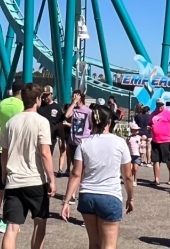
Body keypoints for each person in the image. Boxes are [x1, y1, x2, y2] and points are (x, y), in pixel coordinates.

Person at [61, 105, 135, 249]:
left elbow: (76, 174)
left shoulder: (84, 143)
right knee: (109, 245)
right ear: (109, 122)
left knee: (94, 243)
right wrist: (130, 198)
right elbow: (127, 176)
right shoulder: (120, 143)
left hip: (87, 195)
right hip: (110, 195)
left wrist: (66, 201)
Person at [0, 83, 56, 249]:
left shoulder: (11, 123)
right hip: (35, 180)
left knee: (12, 228)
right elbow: (45, 153)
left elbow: (4, 153)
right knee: (39, 223)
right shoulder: (42, 122)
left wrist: (4, 174)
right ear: (38, 99)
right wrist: (52, 179)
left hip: (14, 180)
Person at [0, 80, 25, 233]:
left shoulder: (2, 103)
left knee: (0, 185)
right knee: (14, 186)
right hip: (17, 150)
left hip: (2, 149)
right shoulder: (22, 106)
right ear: (22, 92)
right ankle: (6, 219)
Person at [36, 87, 64, 174]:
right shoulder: (39, 106)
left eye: (47, 95)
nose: (45, 97)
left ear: (51, 94)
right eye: (44, 95)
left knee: (48, 154)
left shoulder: (57, 108)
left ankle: (48, 172)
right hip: (39, 135)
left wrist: (62, 139)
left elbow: (60, 124)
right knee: (38, 154)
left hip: (51, 136)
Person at [149, 98, 170, 186]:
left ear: (163, 105)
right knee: (155, 160)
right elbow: (150, 124)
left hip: (166, 140)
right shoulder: (153, 114)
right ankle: (156, 179)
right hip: (155, 140)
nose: (159, 107)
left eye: (161, 105)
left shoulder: (168, 113)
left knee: (168, 160)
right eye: (158, 105)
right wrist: (149, 127)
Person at [65, 90, 93, 170]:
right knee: (75, 165)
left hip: (82, 142)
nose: (73, 98)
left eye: (75, 96)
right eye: (73, 96)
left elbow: (92, 126)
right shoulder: (74, 109)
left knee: (83, 166)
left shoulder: (88, 111)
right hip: (72, 142)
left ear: (80, 97)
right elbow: (67, 115)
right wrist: (74, 103)